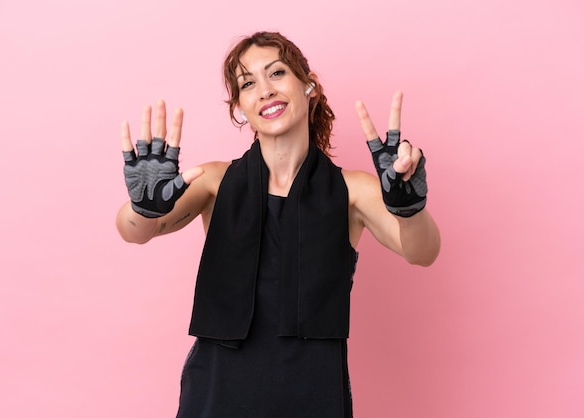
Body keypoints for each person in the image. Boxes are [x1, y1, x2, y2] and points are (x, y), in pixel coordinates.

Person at [116, 31, 440, 418]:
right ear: (240, 108)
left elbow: (422, 253)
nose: (265, 90)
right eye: (248, 83)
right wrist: (144, 209)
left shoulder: (352, 190)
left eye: (277, 73)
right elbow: (135, 232)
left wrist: (410, 208)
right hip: (216, 394)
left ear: (309, 87)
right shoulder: (214, 182)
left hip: (312, 396)